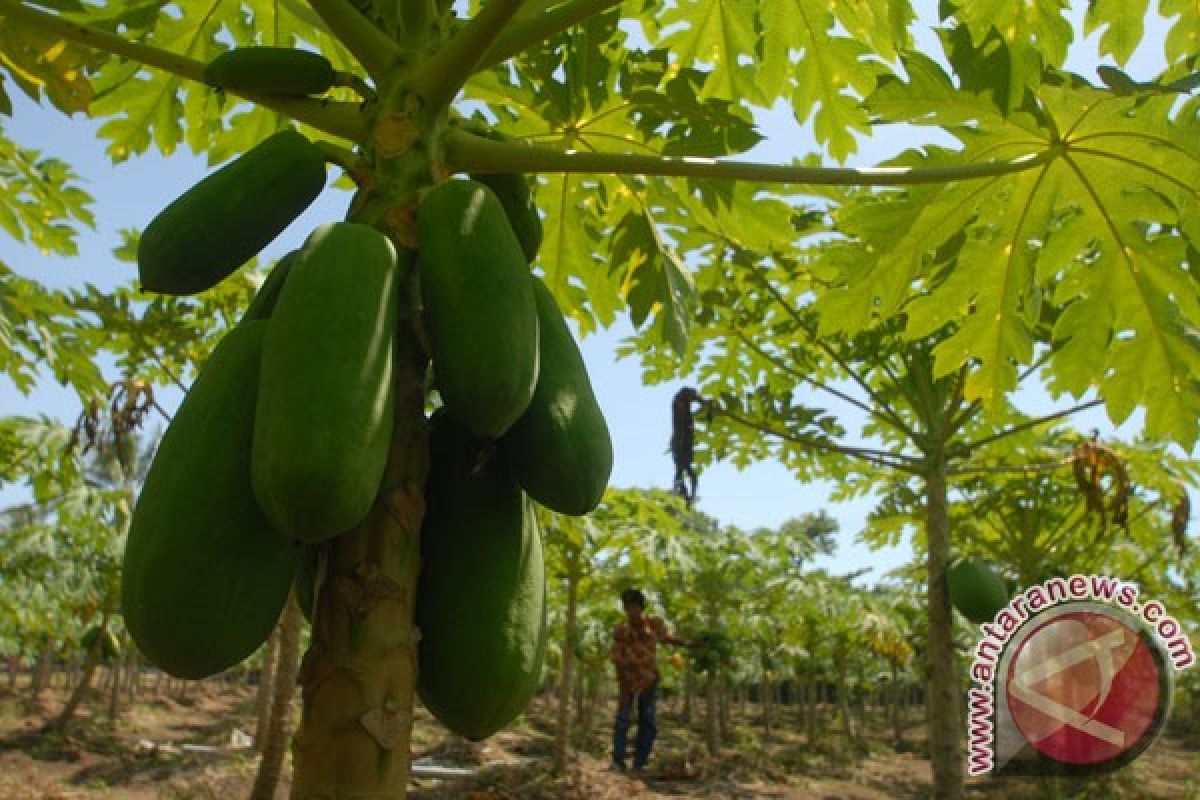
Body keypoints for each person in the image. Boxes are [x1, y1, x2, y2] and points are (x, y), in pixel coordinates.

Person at [609, 588, 693, 774]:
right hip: (627, 680)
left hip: (649, 679)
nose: (632, 611)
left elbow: (667, 638)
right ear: (624, 609)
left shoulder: (654, 625)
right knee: (623, 720)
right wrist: (624, 670)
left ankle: (640, 763)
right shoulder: (621, 630)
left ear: (641, 607)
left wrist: (687, 644)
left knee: (647, 721)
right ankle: (618, 761)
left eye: (635, 607)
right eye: (628, 608)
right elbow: (615, 654)